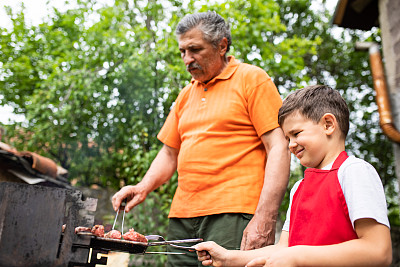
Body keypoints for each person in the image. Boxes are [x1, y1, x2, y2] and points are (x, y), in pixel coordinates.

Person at [112, 11, 290, 266]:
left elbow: (278, 146)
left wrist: (265, 216)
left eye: (194, 49)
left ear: (222, 46)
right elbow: (169, 153)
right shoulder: (186, 94)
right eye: (182, 51)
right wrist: (142, 187)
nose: (187, 59)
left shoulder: (252, 79)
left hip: (233, 213)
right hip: (182, 217)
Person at [195, 85, 392, 267]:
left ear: (328, 124)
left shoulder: (354, 172)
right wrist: (229, 258)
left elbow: (378, 251)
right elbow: (284, 248)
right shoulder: (299, 187)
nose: (290, 145)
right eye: (287, 138)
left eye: (296, 133)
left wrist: (296, 257)